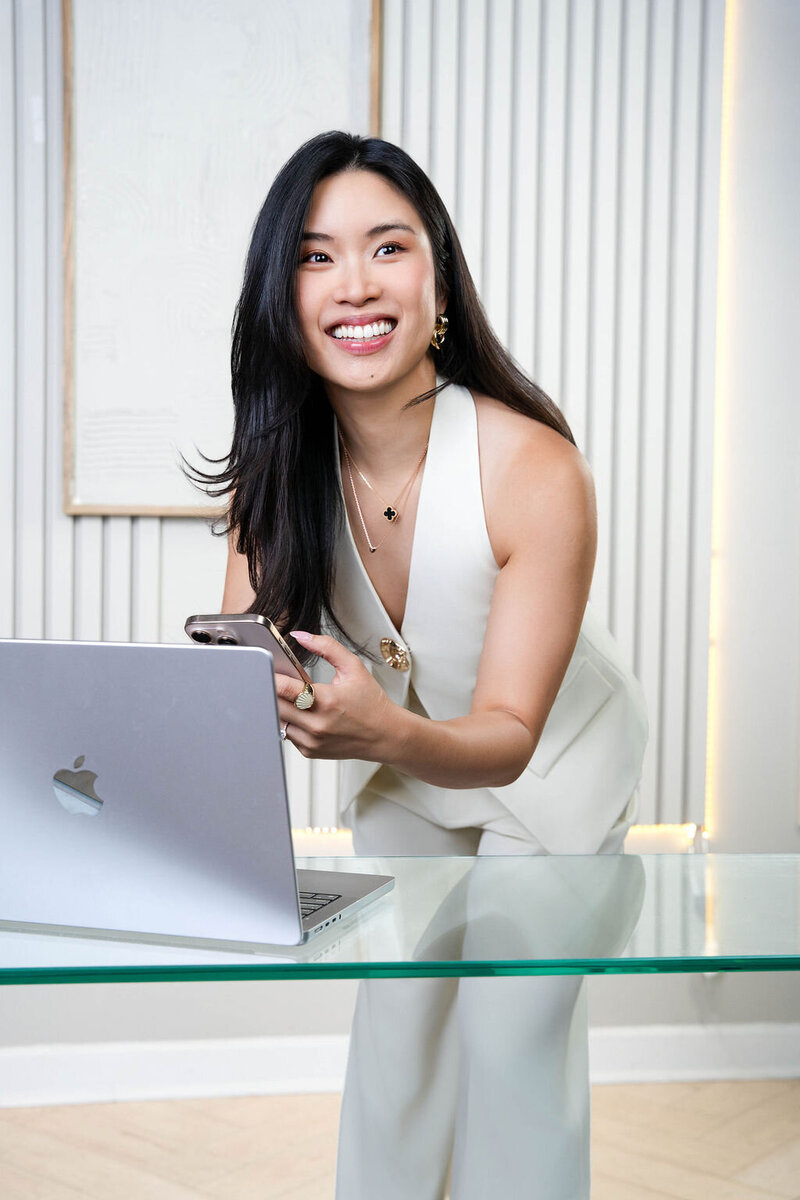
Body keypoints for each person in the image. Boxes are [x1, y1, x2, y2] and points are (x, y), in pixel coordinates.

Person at [208, 131, 647, 1200]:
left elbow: (506, 731)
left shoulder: (530, 463)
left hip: (545, 772)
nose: (352, 284)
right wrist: (263, 697)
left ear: (437, 279)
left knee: (507, 1032)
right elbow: (238, 670)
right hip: (407, 766)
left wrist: (368, 728)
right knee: (397, 1028)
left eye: (385, 247)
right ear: (282, 298)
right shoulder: (279, 471)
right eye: (313, 257)